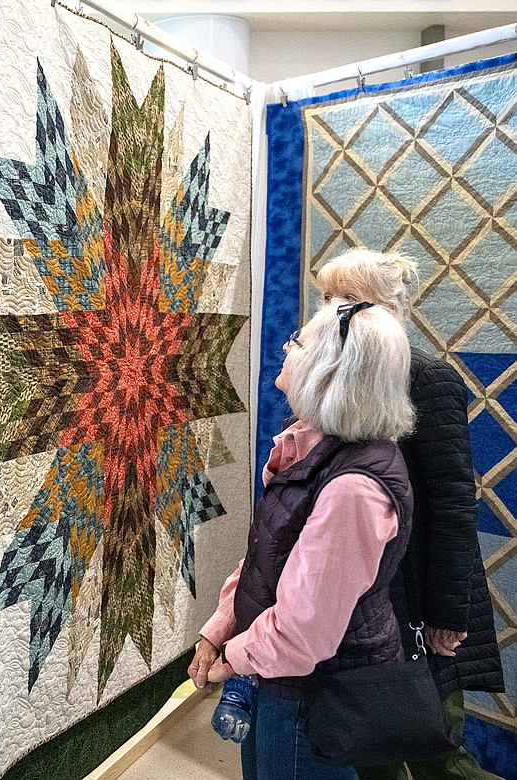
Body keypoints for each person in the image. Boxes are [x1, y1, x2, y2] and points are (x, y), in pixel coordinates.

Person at [189, 299, 416, 779]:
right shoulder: (313, 446)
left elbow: (303, 631)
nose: (285, 347)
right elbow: (265, 560)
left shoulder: (354, 487)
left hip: (313, 698)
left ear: (329, 370)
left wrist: (232, 660)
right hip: (280, 682)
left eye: (298, 341)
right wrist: (220, 628)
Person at [317, 249, 504, 780]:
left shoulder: (428, 379)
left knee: (435, 748)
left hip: (420, 592)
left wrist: (450, 614)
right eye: (328, 297)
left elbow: (452, 508)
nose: (334, 310)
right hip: (363, 594)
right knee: (368, 740)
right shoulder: (331, 377)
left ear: (389, 307)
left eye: (348, 299)